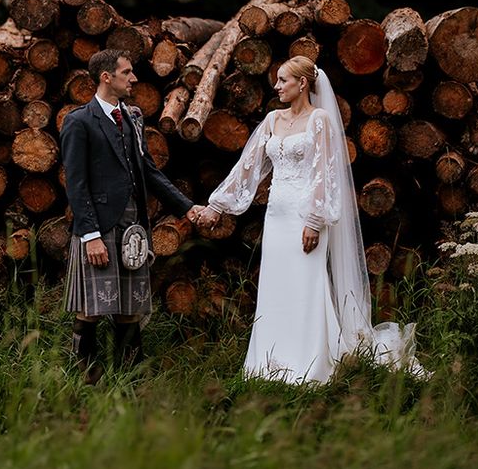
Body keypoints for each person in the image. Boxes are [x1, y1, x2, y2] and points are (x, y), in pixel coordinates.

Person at [195, 55, 429, 384]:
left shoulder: (320, 120)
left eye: (283, 81)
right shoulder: (272, 121)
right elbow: (247, 168)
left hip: (306, 216)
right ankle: (269, 361)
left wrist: (315, 220)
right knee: (276, 287)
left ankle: (311, 363)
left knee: (306, 285)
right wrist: (217, 205)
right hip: (277, 216)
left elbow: (325, 173)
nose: (276, 87)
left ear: (302, 83)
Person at [61, 48, 202, 384]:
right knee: (92, 308)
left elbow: (149, 172)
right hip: (100, 226)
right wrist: (90, 235)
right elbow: (76, 185)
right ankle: (85, 380)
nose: (134, 78)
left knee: (130, 308)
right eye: (127, 72)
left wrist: (188, 207)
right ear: (106, 77)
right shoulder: (79, 121)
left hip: (133, 227)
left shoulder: (134, 117)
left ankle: (131, 379)